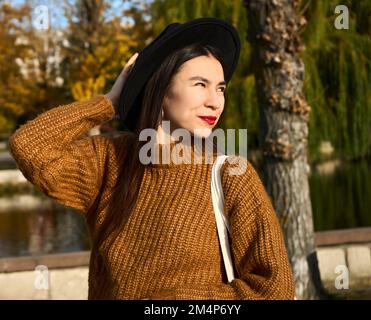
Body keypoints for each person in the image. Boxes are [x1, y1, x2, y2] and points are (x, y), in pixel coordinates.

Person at [9, 17, 295, 300]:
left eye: (220, 88)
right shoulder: (110, 162)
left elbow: (274, 289)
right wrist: (110, 103)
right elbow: (30, 146)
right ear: (161, 87)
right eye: (200, 84)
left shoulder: (231, 175)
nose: (215, 101)